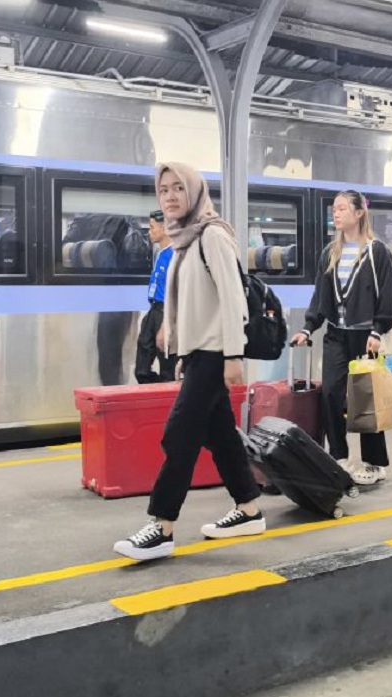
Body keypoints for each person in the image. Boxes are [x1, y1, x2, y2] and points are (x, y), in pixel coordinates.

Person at [114, 162, 264, 562]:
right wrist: (183, 353)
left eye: (179, 188)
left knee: (178, 434)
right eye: (164, 190)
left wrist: (234, 355)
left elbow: (233, 299)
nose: (171, 196)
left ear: (195, 191)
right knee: (220, 435)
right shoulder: (182, 240)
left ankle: (162, 527)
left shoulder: (213, 235)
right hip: (200, 353)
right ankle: (249, 507)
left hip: (218, 352)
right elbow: (189, 304)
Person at [291, 190, 392, 486]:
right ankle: (338, 458)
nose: (335, 214)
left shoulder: (377, 252)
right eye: (333, 210)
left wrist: (378, 330)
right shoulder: (330, 252)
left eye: (341, 209)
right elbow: (320, 296)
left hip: (366, 336)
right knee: (330, 395)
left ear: (359, 213)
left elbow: (388, 295)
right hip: (337, 335)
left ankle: (375, 464)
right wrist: (307, 327)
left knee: (366, 399)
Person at [134, 210, 176, 384]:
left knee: (168, 369)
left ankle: (169, 403)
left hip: (167, 312)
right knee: (141, 370)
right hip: (153, 311)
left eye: (152, 227)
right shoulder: (160, 253)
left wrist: (166, 324)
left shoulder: (176, 254)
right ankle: (156, 392)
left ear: (165, 228)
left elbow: (176, 293)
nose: (149, 232)